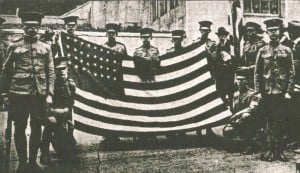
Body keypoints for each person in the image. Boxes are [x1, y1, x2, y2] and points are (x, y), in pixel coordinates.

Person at [1, 12, 55, 172]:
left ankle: (32, 161)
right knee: (19, 127)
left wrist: (50, 94)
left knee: (37, 127)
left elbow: (51, 72)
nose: (32, 29)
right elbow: (4, 71)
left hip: (39, 94)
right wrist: (4, 94)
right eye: (28, 26)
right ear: (23, 27)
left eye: (35, 26)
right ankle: (22, 163)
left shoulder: (46, 47)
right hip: (18, 94)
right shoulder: (14, 46)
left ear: (39, 27)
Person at [255, 19, 295, 162]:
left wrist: (289, 91)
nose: (273, 33)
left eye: (275, 30)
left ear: (280, 32)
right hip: (267, 92)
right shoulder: (262, 50)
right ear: (267, 32)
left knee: (282, 122)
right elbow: (257, 73)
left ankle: (280, 151)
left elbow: (291, 72)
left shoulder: (287, 50)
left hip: (282, 93)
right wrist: (258, 91)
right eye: (270, 31)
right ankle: (270, 151)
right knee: (269, 121)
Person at [40, 56, 76, 164]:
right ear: (55, 70)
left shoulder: (71, 84)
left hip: (65, 115)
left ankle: (67, 142)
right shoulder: (50, 85)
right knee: (49, 126)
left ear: (67, 69)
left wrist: (71, 119)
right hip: (52, 115)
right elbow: (45, 104)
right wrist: (53, 114)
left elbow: (72, 104)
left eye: (63, 69)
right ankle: (44, 153)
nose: (61, 72)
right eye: (58, 69)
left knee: (68, 151)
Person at [101, 23, 127, 146]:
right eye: (109, 33)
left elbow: (127, 63)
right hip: (106, 83)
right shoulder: (101, 47)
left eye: (113, 33)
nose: (111, 35)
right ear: (106, 34)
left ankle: (117, 133)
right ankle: (108, 134)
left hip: (118, 82)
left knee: (117, 107)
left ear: (116, 34)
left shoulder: (121, 47)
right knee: (107, 108)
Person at [238, 22, 265, 88]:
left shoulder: (262, 45)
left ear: (256, 32)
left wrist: (248, 68)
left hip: (258, 76)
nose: (248, 33)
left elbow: (263, 64)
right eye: (247, 31)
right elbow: (243, 59)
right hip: (247, 76)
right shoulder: (246, 44)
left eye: (251, 31)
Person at [215, 27, 235, 110]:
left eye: (223, 36)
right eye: (220, 36)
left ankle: (232, 109)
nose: (221, 38)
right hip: (220, 75)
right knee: (220, 93)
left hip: (229, 73)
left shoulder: (231, 45)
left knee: (231, 93)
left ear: (226, 36)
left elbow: (236, 59)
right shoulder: (217, 46)